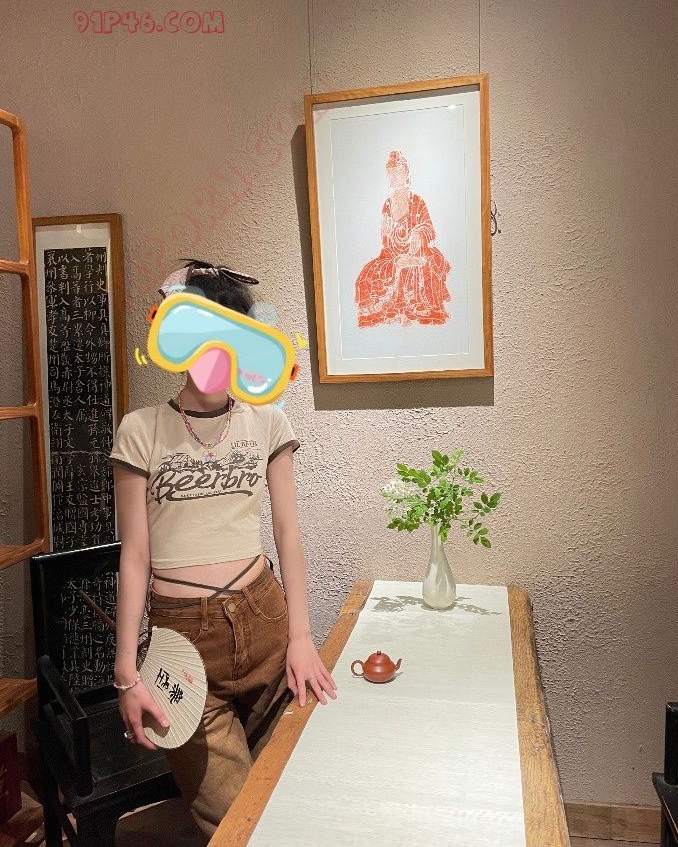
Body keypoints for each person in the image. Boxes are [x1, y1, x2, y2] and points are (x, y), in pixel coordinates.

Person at [108, 259, 337, 839]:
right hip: (182, 641)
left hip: (266, 622)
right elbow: (134, 555)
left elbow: (287, 533)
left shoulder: (268, 422)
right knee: (235, 826)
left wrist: (302, 638)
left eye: (231, 338)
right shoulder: (141, 429)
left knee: (300, 796)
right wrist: (126, 672)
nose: (216, 354)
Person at [355, 148, 452, 327]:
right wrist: (386, 235)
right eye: (391, 174)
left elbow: (430, 229)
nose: (395, 177)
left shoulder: (417, 201)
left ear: (406, 174)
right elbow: (386, 247)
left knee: (420, 265)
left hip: (417, 252)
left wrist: (418, 233)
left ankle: (413, 303)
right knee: (367, 273)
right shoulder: (387, 204)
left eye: (398, 172)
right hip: (393, 256)